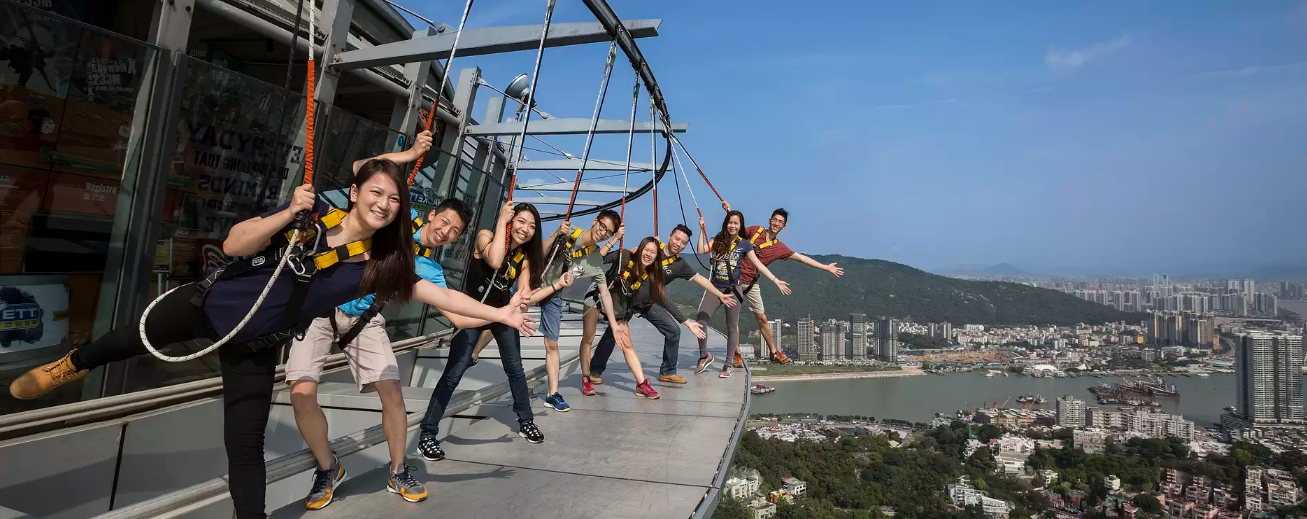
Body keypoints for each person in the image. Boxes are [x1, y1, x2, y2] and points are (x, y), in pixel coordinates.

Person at [9, 159, 535, 519]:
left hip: (255, 346)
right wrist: (287, 213)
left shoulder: (379, 265)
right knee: (126, 338)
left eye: (393, 199)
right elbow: (235, 242)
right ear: (355, 194)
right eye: (376, 192)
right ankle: (67, 367)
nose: (383, 203)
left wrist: (500, 313)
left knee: (243, 445)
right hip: (209, 303)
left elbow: (439, 298)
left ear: (400, 212)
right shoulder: (308, 221)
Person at [286, 132, 464, 509]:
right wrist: (411, 153)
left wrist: (505, 312)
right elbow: (362, 171)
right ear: (431, 214)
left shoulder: (430, 269)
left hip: (365, 319)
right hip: (321, 308)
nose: (445, 232)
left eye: (454, 232)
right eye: (445, 222)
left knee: (393, 392)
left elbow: (454, 312)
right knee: (301, 394)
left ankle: (398, 470)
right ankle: (328, 467)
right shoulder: (398, 219)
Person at [414, 202, 567, 463]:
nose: (525, 229)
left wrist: (527, 297)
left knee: (515, 369)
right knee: (454, 373)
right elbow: (495, 260)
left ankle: (526, 421)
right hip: (471, 312)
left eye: (531, 226)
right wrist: (501, 222)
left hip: (502, 313)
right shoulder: (486, 236)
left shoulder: (525, 258)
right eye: (520, 222)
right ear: (510, 220)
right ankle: (427, 434)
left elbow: (524, 293)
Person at [586, 224, 731, 392]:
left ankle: (668, 372)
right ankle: (595, 370)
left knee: (673, 331)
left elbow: (701, 280)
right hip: (628, 298)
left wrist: (719, 295)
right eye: (677, 239)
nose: (678, 243)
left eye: (683, 242)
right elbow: (632, 254)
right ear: (670, 236)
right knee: (614, 333)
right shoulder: (653, 249)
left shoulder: (679, 264)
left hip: (649, 301)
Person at [532, 210, 627, 412]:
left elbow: (605, 294)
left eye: (608, 232)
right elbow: (538, 254)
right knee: (502, 316)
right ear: (595, 221)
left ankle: (552, 394)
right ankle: (475, 354)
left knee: (552, 344)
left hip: (554, 295)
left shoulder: (594, 259)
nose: (603, 232)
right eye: (602, 226)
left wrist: (613, 324)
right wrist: (556, 234)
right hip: (532, 281)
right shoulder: (569, 232)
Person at [726, 204, 844, 367]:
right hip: (735, 279)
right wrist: (729, 211)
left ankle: (774, 352)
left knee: (762, 318)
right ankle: (737, 353)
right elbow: (734, 230)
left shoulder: (779, 248)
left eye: (779, 221)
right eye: (774, 219)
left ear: (784, 226)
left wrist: (826, 267)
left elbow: (802, 258)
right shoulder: (755, 231)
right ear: (769, 220)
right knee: (735, 319)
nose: (776, 223)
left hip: (752, 282)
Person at [694, 208, 790, 378]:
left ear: (740, 226)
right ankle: (704, 355)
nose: (732, 226)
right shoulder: (719, 240)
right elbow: (701, 250)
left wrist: (775, 280)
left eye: (736, 223)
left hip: (733, 289)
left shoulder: (744, 244)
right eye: (730, 222)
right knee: (701, 320)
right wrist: (702, 230)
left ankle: (728, 363)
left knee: (732, 327)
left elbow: (758, 265)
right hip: (715, 287)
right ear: (726, 224)